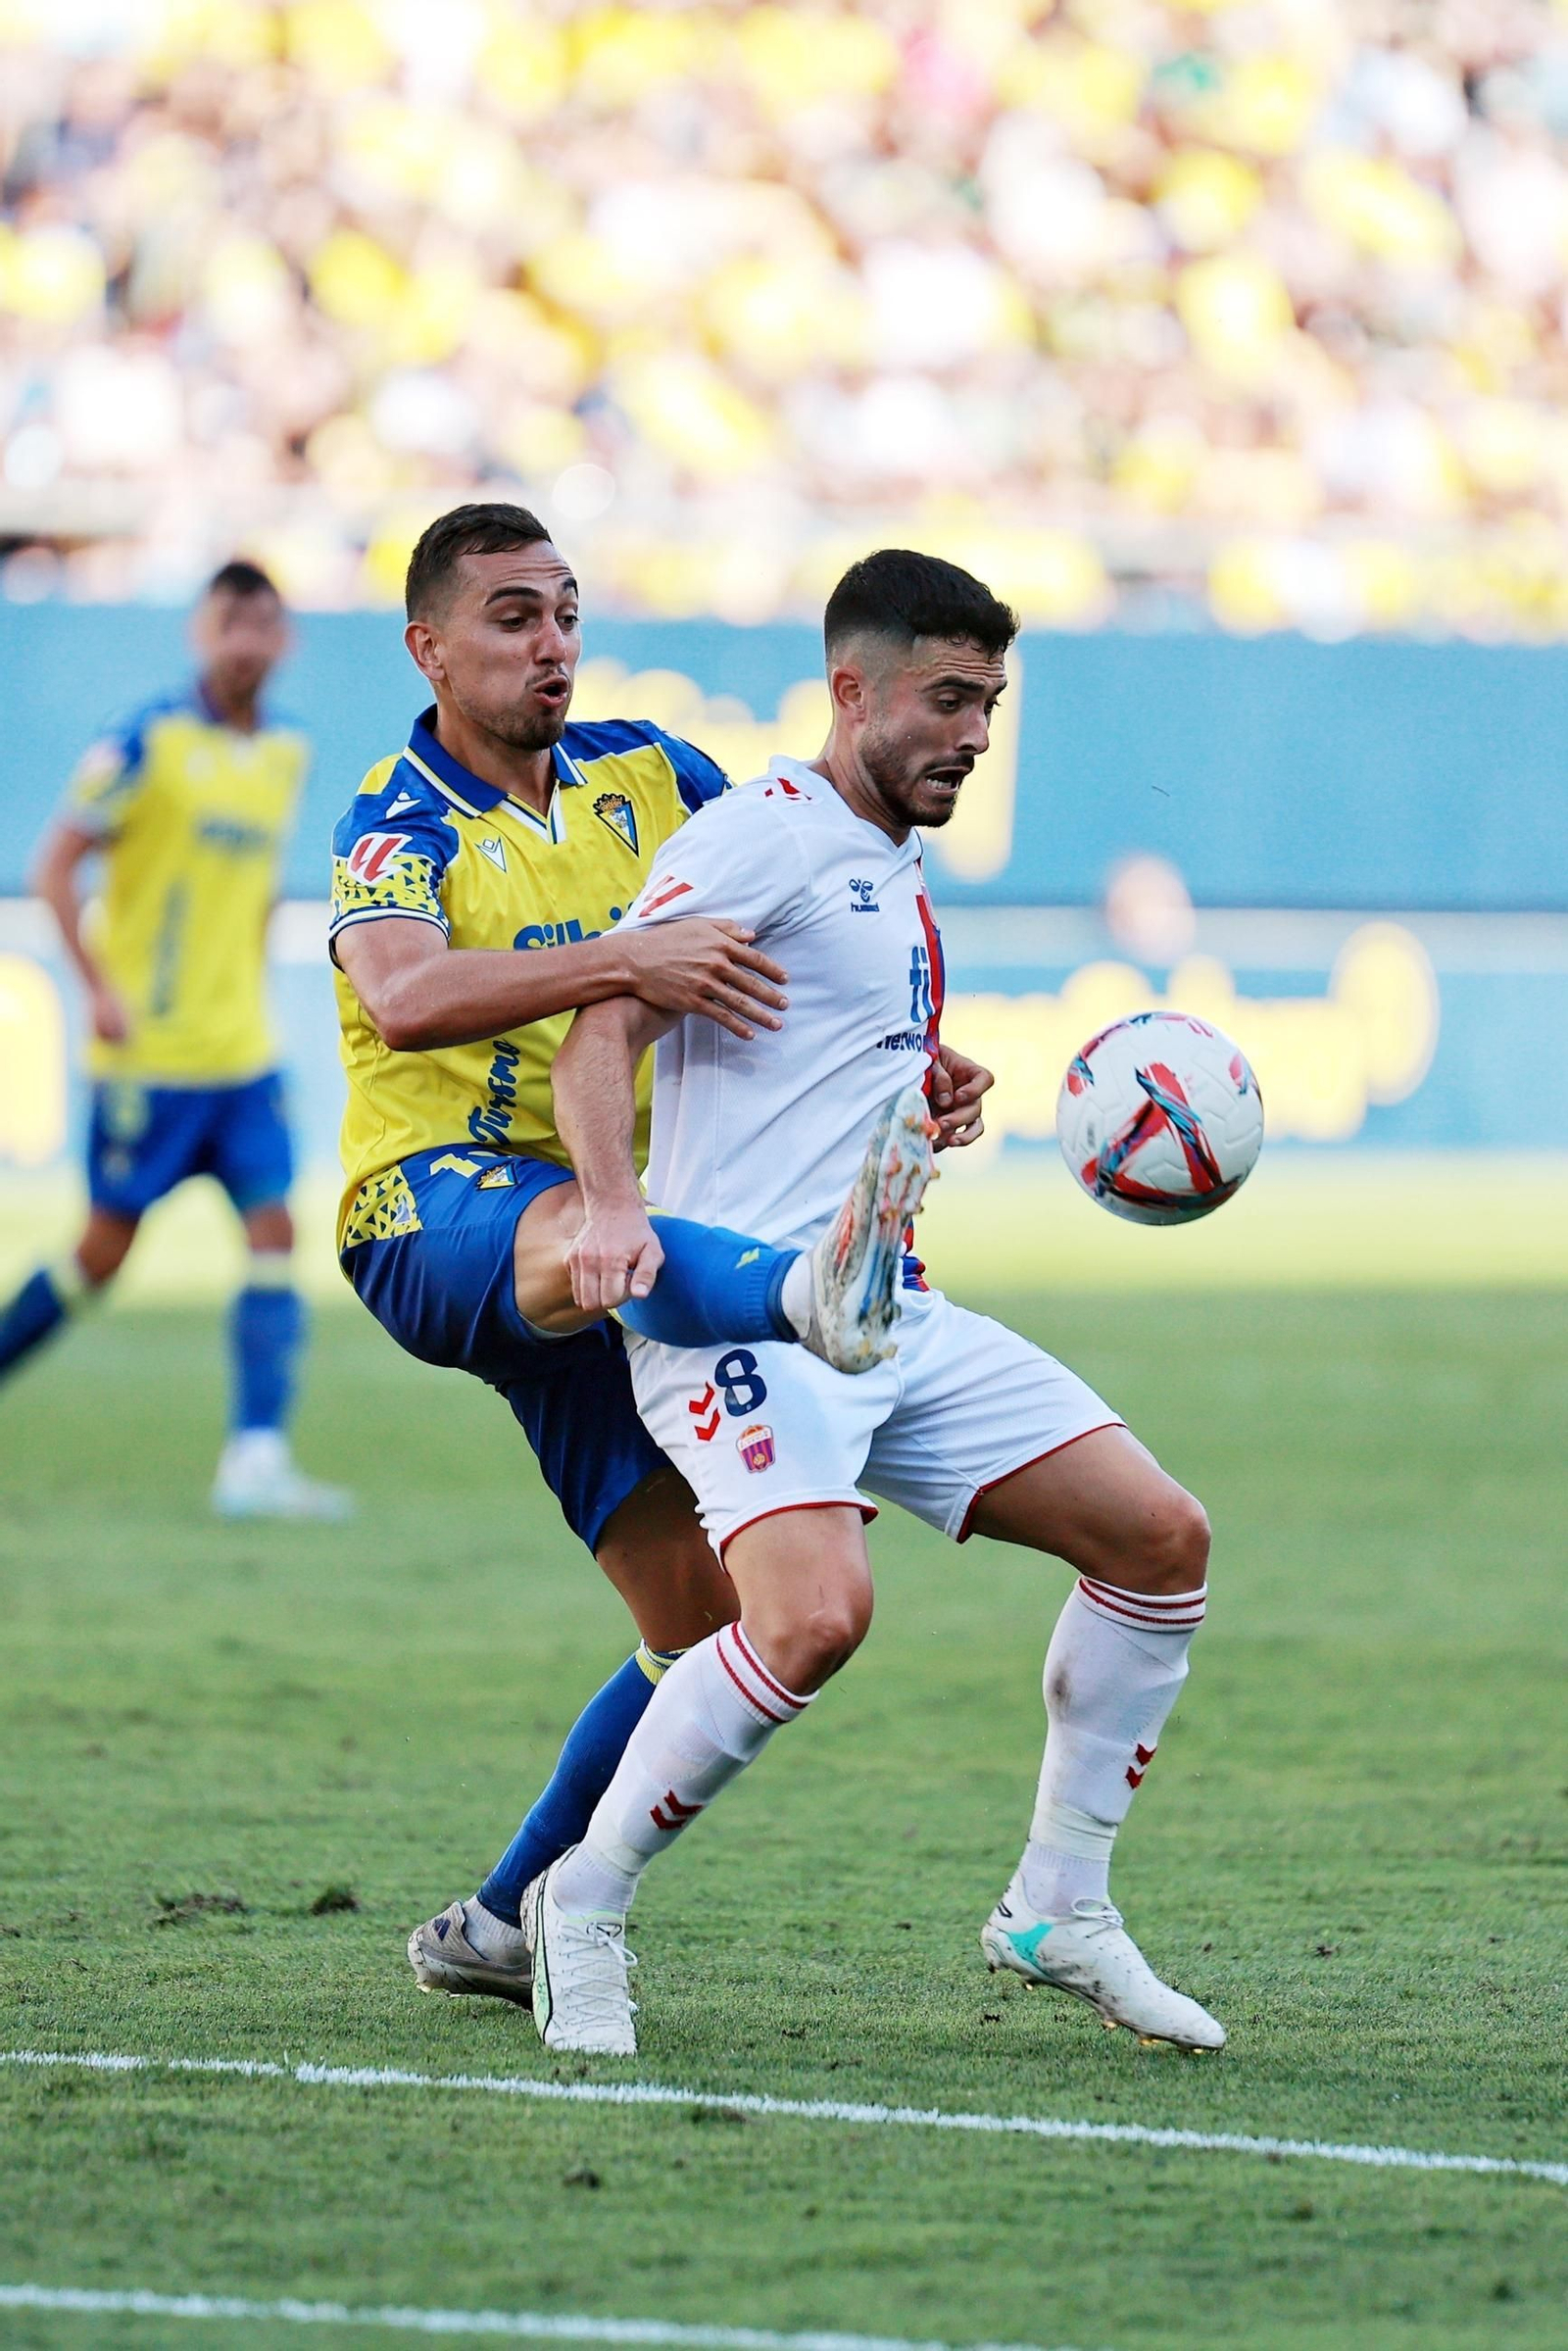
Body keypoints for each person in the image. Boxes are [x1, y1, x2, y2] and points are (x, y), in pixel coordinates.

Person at [535, 547, 1224, 2058]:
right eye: (947, 698)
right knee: (813, 1616)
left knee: (1159, 1541)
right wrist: (613, 1203)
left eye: (990, 704)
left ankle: (1059, 1901)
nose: (972, 733)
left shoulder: (889, 854)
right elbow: (602, 1027)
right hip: (747, 1323)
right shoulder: (764, 833)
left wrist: (919, 1082)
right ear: (852, 689)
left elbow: (803, 1046)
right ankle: (578, 1902)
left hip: (884, 1310)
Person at [330, 504, 986, 2007]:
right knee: (599, 1231)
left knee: (705, 1627)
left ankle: (502, 1921)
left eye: (565, 612)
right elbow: (408, 996)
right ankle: (813, 1299)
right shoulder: (395, 819)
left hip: (626, 1236)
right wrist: (623, 957)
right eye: (512, 617)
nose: (551, 643)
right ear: (429, 647)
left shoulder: (658, 772)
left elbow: (806, 908)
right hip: (438, 1211)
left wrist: (916, 1054)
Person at [0, 559, 351, 1522]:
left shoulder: (285, 751)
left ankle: (256, 1458)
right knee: (100, 1254)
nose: (246, 641)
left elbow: (253, 894)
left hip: (242, 1055)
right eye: (230, 621)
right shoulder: (144, 741)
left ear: (285, 640)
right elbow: (56, 864)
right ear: (201, 632)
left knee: (276, 1233)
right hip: (149, 1058)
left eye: (263, 624)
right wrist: (96, 988)